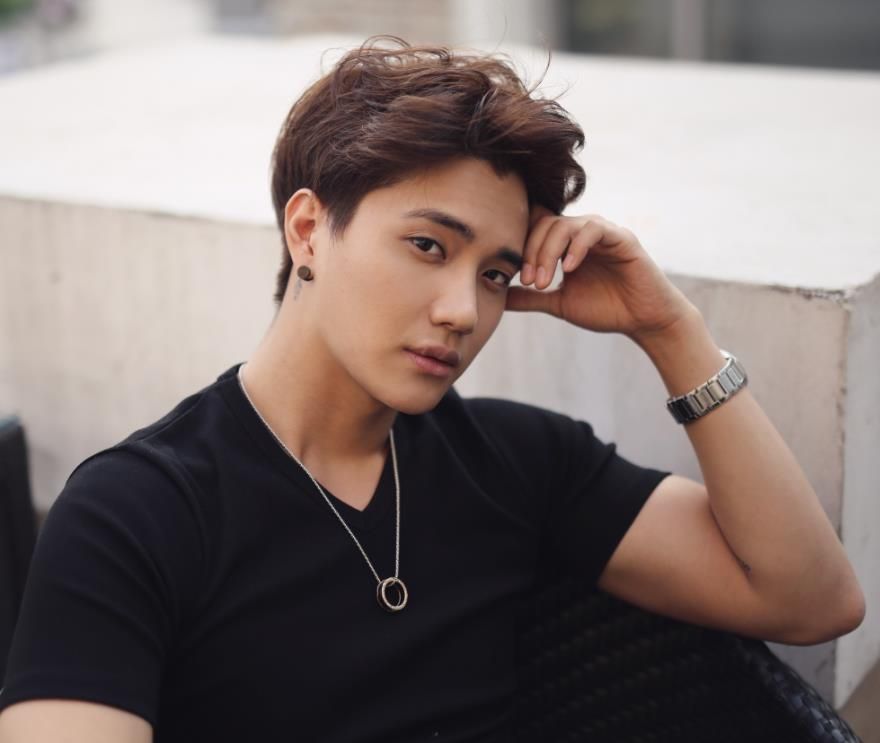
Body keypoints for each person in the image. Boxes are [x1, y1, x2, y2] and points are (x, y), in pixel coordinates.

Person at [0, 35, 865, 743]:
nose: (463, 310)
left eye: (495, 274)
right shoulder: (133, 514)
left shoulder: (514, 461)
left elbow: (811, 599)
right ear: (309, 230)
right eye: (427, 246)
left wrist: (670, 330)